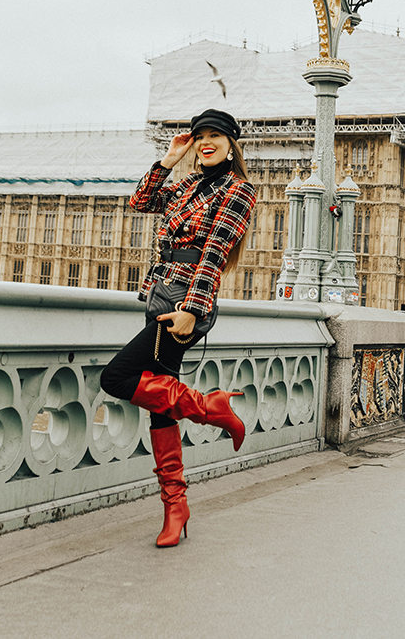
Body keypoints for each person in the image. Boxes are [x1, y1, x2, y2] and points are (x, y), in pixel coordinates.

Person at [100, 108, 256, 547]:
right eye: (200, 136)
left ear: (231, 145)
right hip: (160, 294)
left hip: (188, 299)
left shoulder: (239, 190)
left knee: (116, 377)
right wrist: (169, 160)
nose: (206, 142)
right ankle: (175, 506)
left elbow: (215, 253)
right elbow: (141, 202)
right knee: (161, 406)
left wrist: (192, 308)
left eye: (215, 136)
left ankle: (213, 409)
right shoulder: (186, 185)